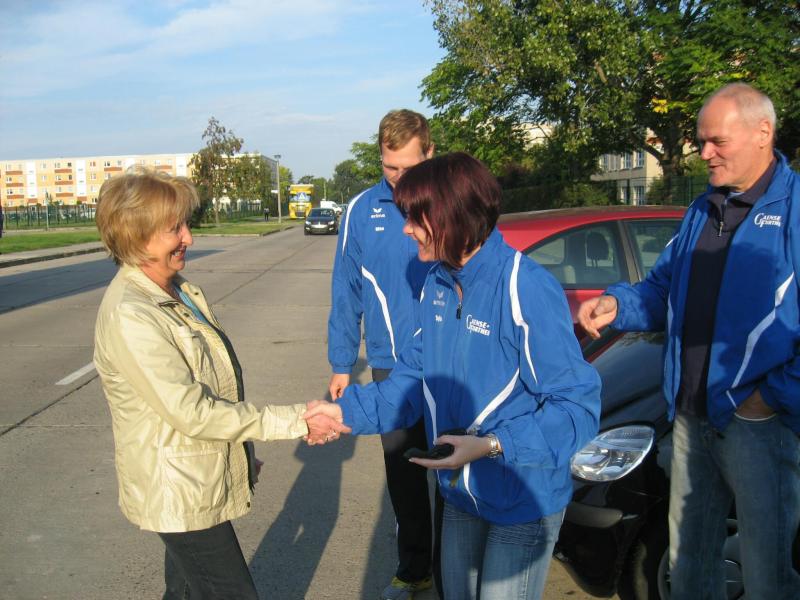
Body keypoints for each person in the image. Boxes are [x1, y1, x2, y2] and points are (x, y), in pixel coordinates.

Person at [309, 153, 601, 600]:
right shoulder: (437, 284)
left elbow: (577, 407)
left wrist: (492, 445)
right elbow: (410, 379)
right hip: (461, 491)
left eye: (415, 218)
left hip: (522, 497)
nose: (407, 230)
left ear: (451, 216)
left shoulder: (524, 287)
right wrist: (343, 413)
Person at [578, 83, 800, 600]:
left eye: (717, 141)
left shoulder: (793, 213)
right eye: (701, 141)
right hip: (690, 418)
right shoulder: (703, 209)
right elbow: (662, 288)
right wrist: (617, 306)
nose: (704, 153)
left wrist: (770, 400)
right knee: (688, 565)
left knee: (768, 576)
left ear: (763, 132)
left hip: (758, 427)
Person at [93, 168, 347, 600]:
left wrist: (237, 454)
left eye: (185, 224)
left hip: (194, 477)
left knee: (185, 591)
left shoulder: (177, 291)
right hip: (179, 488)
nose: (188, 238)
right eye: (175, 229)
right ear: (137, 236)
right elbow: (192, 411)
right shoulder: (132, 314)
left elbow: (210, 391)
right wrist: (298, 421)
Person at [328, 109, 437, 599]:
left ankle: (460, 568)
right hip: (392, 364)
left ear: (429, 153)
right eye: (389, 167)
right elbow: (346, 289)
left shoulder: (448, 202)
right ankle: (415, 570)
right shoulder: (360, 211)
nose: (397, 179)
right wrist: (341, 363)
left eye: (408, 168)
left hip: (452, 361)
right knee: (405, 475)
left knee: (461, 471)